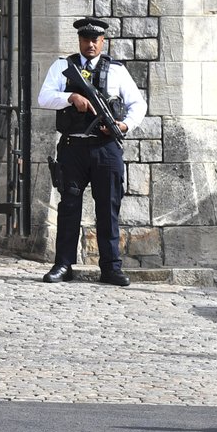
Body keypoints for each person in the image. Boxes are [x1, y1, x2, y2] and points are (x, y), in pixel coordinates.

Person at [37, 18, 147, 286]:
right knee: (69, 207)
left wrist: (123, 125)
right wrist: (71, 98)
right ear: (79, 41)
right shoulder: (64, 66)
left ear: (102, 42)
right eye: (85, 39)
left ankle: (110, 267)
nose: (90, 44)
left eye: (95, 40)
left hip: (105, 148)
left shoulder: (117, 71)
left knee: (108, 208)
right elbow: (43, 97)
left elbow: (138, 105)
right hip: (73, 146)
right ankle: (63, 264)